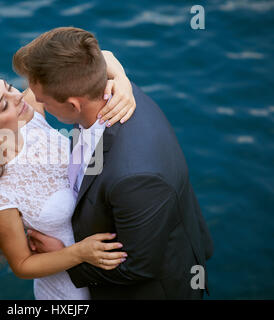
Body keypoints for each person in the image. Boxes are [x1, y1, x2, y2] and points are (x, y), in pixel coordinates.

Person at [0, 49, 136, 299]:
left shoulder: (29, 114)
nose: (16, 97)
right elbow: (22, 265)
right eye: (3, 105)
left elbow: (96, 57)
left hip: (104, 269)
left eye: (9, 86)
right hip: (67, 289)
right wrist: (78, 253)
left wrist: (122, 82)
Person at [17, 27, 214, 299]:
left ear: (74, 106)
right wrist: (121, 75)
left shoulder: (134, 178)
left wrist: (64, 259)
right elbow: (104, 55)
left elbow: (138, 267)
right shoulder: (102, 85)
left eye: (43, 101)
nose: (35, 102)